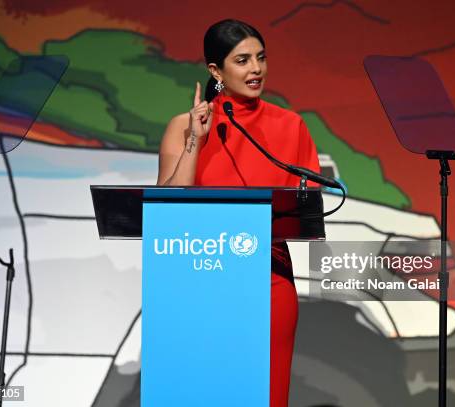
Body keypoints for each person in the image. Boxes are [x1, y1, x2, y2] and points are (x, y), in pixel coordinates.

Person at [157, 19, 320, 406]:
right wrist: (196, 140)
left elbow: (307, 210)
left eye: (261, 58)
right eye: (243, 60)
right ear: (216, 70)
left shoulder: (291, 125)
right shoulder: (184, 126)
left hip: (269, 276)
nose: (256, 69)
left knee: (267, 394)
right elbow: (166, 205)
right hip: (202, 275)